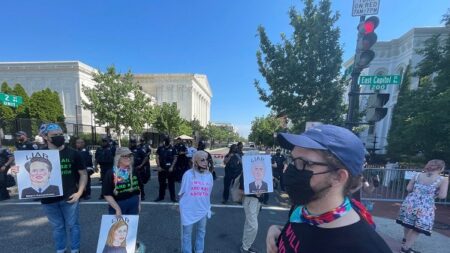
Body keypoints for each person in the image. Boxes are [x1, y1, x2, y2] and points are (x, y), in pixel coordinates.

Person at [266, 124, 392, 253]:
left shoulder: (364, 247)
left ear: (338, 177)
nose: (290, 169)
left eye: (306, 163)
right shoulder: (301, 209)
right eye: (293, 160)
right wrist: (277, 231)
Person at [12, 123, 87, 253]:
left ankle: (75, 250)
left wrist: (79, 192)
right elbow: (25, 173)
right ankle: (60, 249)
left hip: (70, 197)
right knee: (58, 227)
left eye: (60, 134)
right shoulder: (38, 155)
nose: (59, 137)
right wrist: (16, 171)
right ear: (46, 137)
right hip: (48, 199)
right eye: (54, 135)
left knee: (73, 225)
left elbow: (83, 174)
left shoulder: (74, 154)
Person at [396, 159, 449, 253]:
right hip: (426, 205)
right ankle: (405, 248)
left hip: (411, 202)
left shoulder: (417, 175)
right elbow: (442, 195)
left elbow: (408, 188)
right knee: (418, 227)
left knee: (408, 221)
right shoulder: (443, 179)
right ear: (441, 168)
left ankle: (405, 239)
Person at [179, 151, 213, 253]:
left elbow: (208, 193)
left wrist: (206, 206)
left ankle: (199, 250)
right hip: (188, 210)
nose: (205, 162)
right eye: (202, 160)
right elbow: (181, 193)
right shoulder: (188, 175)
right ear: (195, 161)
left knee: (201, 231)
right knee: (187, 234)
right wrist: (181, 207)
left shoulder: (209, 176)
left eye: (206, 159)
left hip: (202, 209)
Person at [102, 147, 141, 215]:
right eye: (125, 156)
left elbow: (138, 189)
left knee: (131, 225)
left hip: (133, 204)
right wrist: (117, 208)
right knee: (118, 226)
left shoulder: (134, 171)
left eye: (129, 156)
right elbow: (107, 194)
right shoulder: (110, 173)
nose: (128, 158)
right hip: (118, 204)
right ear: (118, 158)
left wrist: (139, 204)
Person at [240, 164, 265, 253]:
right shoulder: (246, 173)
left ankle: (245, 245)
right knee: (253, 226)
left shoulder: (262, 174)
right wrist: (255, 193)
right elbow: (241, 190)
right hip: (250, 200)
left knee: (249, 224)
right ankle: (245, 247)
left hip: (257, 201)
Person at [154, 137, 177, 202]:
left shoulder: (173, 148)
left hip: (170, 169)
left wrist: (172, 167)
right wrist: (158, 166)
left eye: (167, 140)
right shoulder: (160, 148)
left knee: (171, 184)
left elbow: (175, 158)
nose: (166, 142)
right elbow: (157, 157)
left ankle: (173, 198)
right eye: (165, 140)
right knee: (161, 184)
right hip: (162, 169)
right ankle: (161, 197)